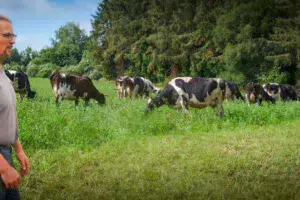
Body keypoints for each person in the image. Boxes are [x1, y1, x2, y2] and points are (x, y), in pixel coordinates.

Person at [0, 14, 30, 200]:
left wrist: (18, 149)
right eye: (7, 35)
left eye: (13, 36)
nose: (13, 41)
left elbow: (6, 116)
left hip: (6, 153)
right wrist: (3, 168)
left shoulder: (2, 74)